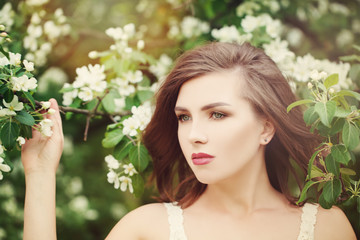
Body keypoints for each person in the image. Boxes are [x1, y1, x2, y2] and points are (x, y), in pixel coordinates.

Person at [22, 42, 356, 240]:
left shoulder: (326, 228)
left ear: (266, 127)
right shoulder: (148, 229)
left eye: (218, 114)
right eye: (184, 117)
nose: (194, 134)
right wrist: (40, 173)